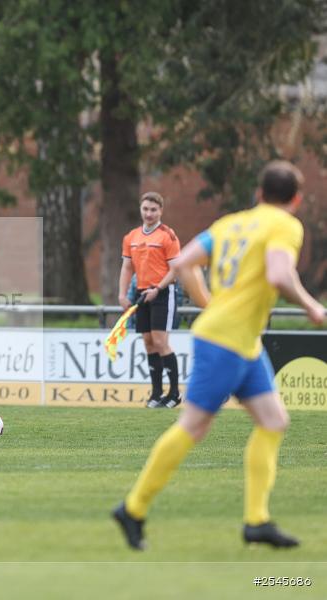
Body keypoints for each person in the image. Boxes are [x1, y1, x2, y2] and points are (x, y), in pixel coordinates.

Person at [113, 161, 325, 551]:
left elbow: (185, 262)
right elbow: (279, 275)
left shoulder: (230, 223)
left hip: (243, 341)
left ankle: (256, 521)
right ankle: (133, 507)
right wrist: (313, 307)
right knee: (194, 425)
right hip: (226, 341)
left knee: (274, 420)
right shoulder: (285, 225)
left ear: (258, 193)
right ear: (295, 199)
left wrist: (209, 303)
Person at [118, 192, 182, 408]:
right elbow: (127, 268)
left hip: (163, 293)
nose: (149, 213)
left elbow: (175, 269)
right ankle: (156, 394)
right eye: (145, 209)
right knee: (148, 342)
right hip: (142, 293)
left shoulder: (168, 236)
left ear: (160, 211)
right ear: (140, 209)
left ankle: (174, 394)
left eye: (153, 209)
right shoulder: (131, 237)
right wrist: (122, 293)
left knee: (160, 341)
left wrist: (158, 288)